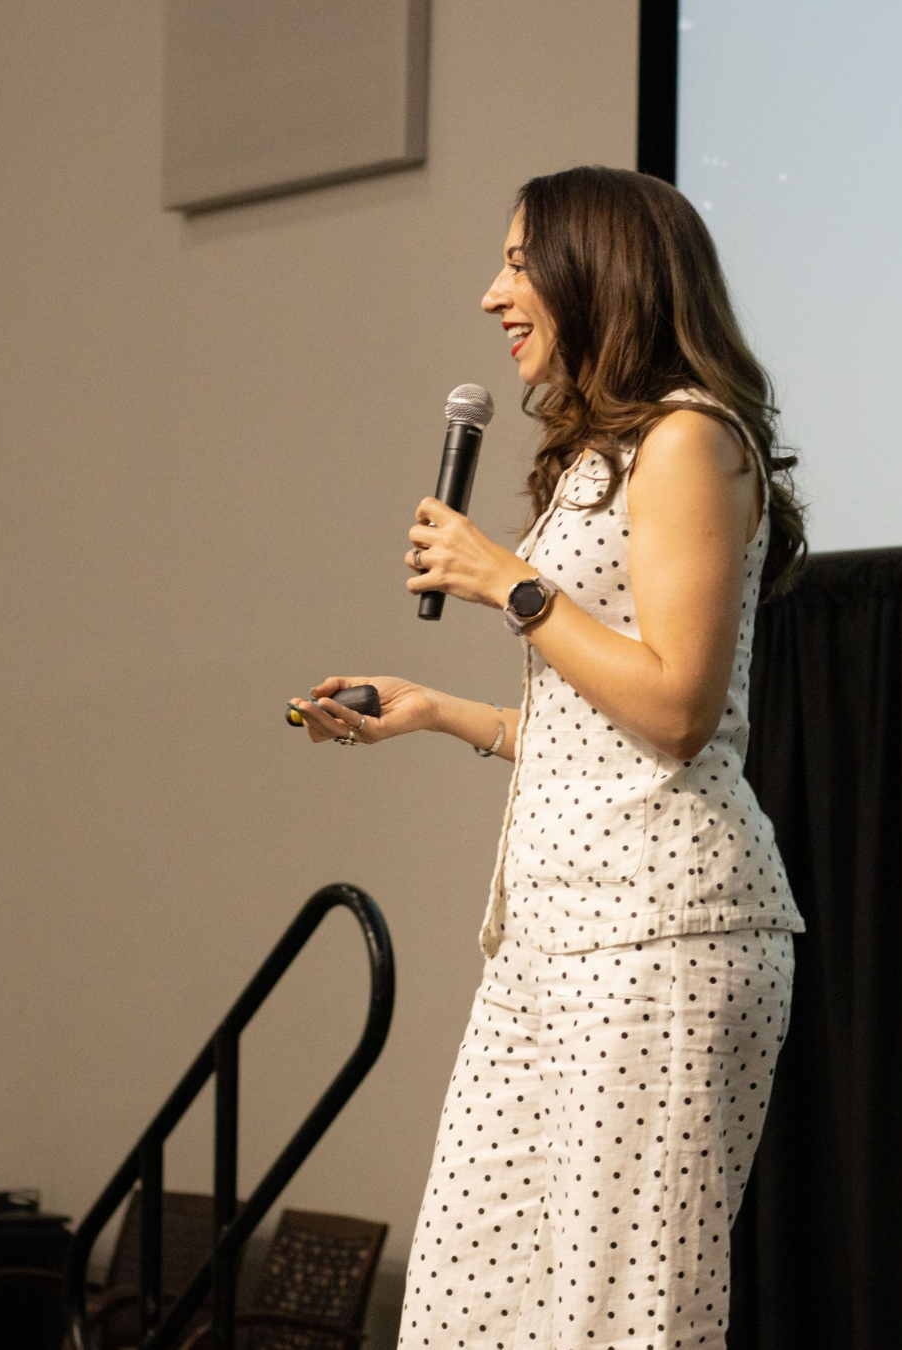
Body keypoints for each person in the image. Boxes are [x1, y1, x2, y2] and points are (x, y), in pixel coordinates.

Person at [290, 165, 807, 1350]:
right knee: (465, 1311)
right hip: (549, 937)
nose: (492, 293)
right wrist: (437, 711)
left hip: (661, 939)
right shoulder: (600, 457)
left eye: (519, 264)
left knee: (619, 1321)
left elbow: (677, 711)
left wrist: (506, 581)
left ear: (600, 271)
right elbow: (598, 728)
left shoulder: (689, 439)